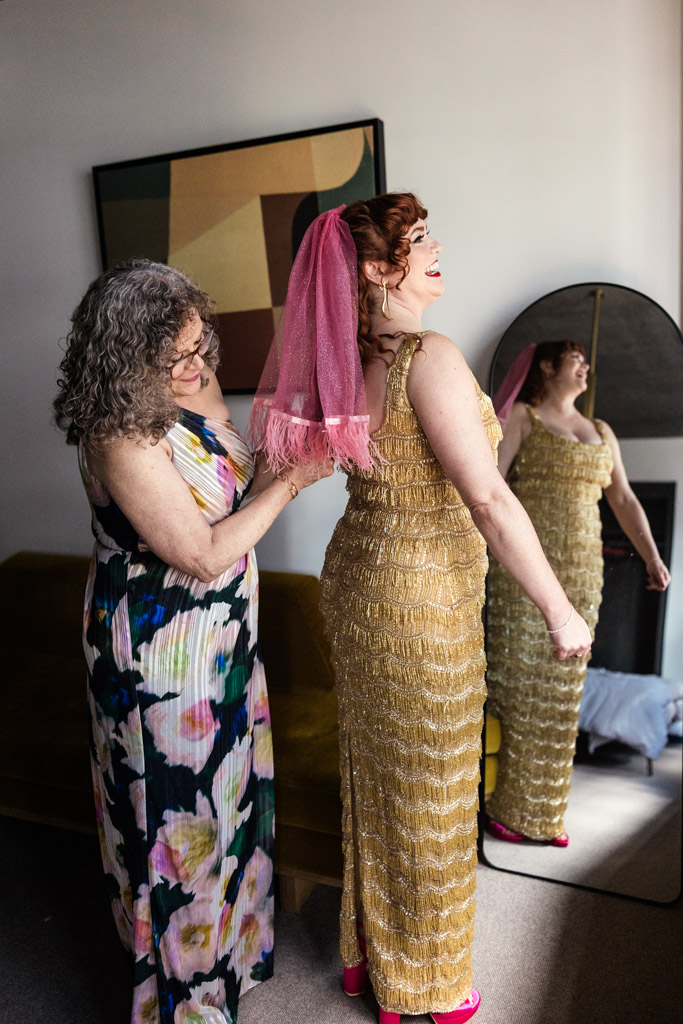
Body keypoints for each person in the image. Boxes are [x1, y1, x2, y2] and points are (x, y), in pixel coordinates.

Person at [247, 196, 592, 1024]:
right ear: (373, 270)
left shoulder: (346, 365)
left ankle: (371, 958)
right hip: (418, 599)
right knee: (432, 790)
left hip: (361, 584)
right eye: (416, 242)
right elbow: (491, 503)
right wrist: (559, 609)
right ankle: (429, 988)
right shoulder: (426, 357)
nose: (435, 250)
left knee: (378, 779)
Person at [53, 259, 331, 1024]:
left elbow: (230, 490)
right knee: (176, 821)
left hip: (223, 642)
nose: (199, 363)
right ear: (128, 356)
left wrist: (283, 458)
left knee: (231, 804)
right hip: (158, 653)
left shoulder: (194, 385)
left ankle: (230, 959)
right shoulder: (117, 433)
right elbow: (202, 554)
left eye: (199, 342)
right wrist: (290, 483)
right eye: (177, 354)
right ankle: (183, 999)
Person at [485, 341, 671, 845]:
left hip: (584, 573)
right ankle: (504, 809)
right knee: (522, 683)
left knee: (563, 691)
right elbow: (491, 488)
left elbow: (625, 499)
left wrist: (653, 556)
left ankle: (544, 816)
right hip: (524, 573)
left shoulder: (602, 431)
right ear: (547, 366)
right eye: (576, 360)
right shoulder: (523, 418)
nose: (586, 367)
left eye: (587, 361)